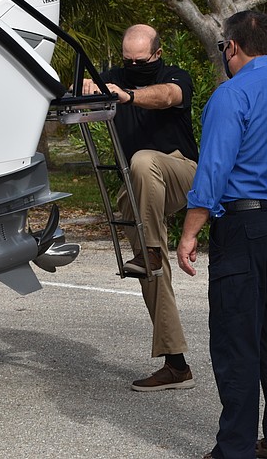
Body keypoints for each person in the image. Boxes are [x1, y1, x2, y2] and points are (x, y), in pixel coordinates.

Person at [177, 10, 267, 459]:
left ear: (231, 47)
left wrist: (190, 232)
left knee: (237, 342)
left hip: (245, 225)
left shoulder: (231, 94)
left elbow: (214, 169)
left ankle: (233, 449)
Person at [81, 24, 199, 392]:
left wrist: (129, 95)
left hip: (180, 171)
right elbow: (80, 87)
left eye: (141, 61)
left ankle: (148, 249)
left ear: (157, 55)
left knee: (145, 159)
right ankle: (176, 364)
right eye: (127, 61)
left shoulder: (175, 75)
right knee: (153, 270)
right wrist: (83, 86)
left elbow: (168, 96)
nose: (132, 66)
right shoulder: (113, 77)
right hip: (138, 186)